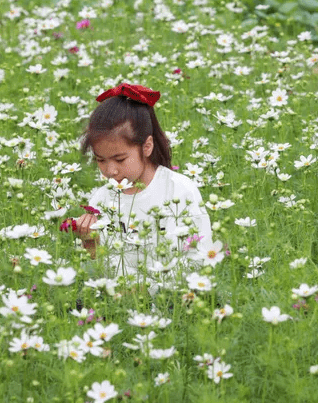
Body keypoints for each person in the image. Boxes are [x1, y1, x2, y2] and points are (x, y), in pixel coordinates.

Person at [73, 82, 213, 280]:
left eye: (120, 159)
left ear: (147, 146)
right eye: (100, 160)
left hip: (174, 299)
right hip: (121, 299)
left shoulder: (179, 191)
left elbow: (200, 259)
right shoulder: (102, 199)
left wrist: (148, 290)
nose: (110, 171)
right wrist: (90, 244)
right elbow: (100, 272)